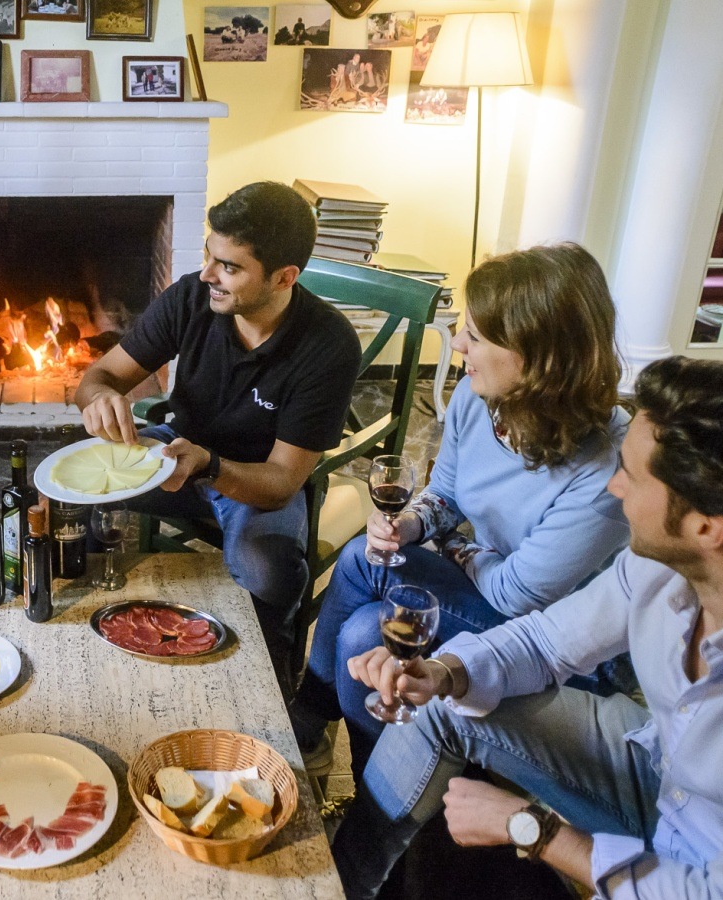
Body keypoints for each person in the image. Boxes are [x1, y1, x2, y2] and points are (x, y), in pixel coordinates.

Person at [332, 355, 723, 900]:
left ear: (706, 526)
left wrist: (537, 831)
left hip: (702, 857)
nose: (614, 488)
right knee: (440, 703)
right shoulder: (658, 567)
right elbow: (545, 642)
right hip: (655, 765)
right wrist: (444, 672)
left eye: (631, 475)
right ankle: (339, 882)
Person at [287, 243, 630, 777]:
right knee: (362, 592)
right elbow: (444, 492)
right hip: (488, 582)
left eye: (476, 334)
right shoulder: (481, 397)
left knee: (361, 604)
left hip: (555, 639)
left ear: (536, 356)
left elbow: (517, 595)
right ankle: (359, 767)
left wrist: (451, 546)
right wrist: (411, 524)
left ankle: (334, 748)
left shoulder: (607, 467)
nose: (457, 343)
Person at [74, 181, 362, 691]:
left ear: (284, 277)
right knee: (62, 499)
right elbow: (99, 377)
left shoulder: (328, 344)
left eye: (229, 266)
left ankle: (267, 695)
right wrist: (100, 399)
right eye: (210, 255)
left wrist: (208, 465)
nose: (208, 274)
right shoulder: (193, 295)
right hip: (172, 452)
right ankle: (87, 650)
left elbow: (280, 483)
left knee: (271, 572)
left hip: (253, 478)